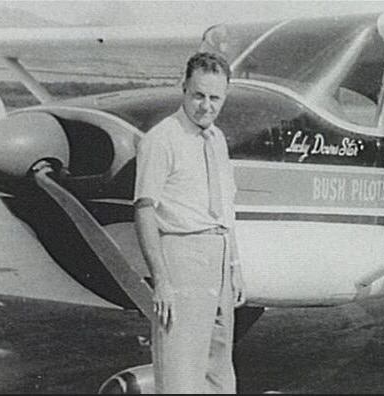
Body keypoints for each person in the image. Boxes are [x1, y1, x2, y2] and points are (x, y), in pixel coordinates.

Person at [134, 52, 245, 394]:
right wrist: (162, 281)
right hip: (183, 260)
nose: (206, 106)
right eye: (198, 95)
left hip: (220, 262)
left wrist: (235, 266)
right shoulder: (161, 139)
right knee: (181, 371)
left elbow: (226, 209)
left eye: (215, 98)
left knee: (218, 372)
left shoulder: (218, 139)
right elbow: (144, 209)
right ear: (183, 89)